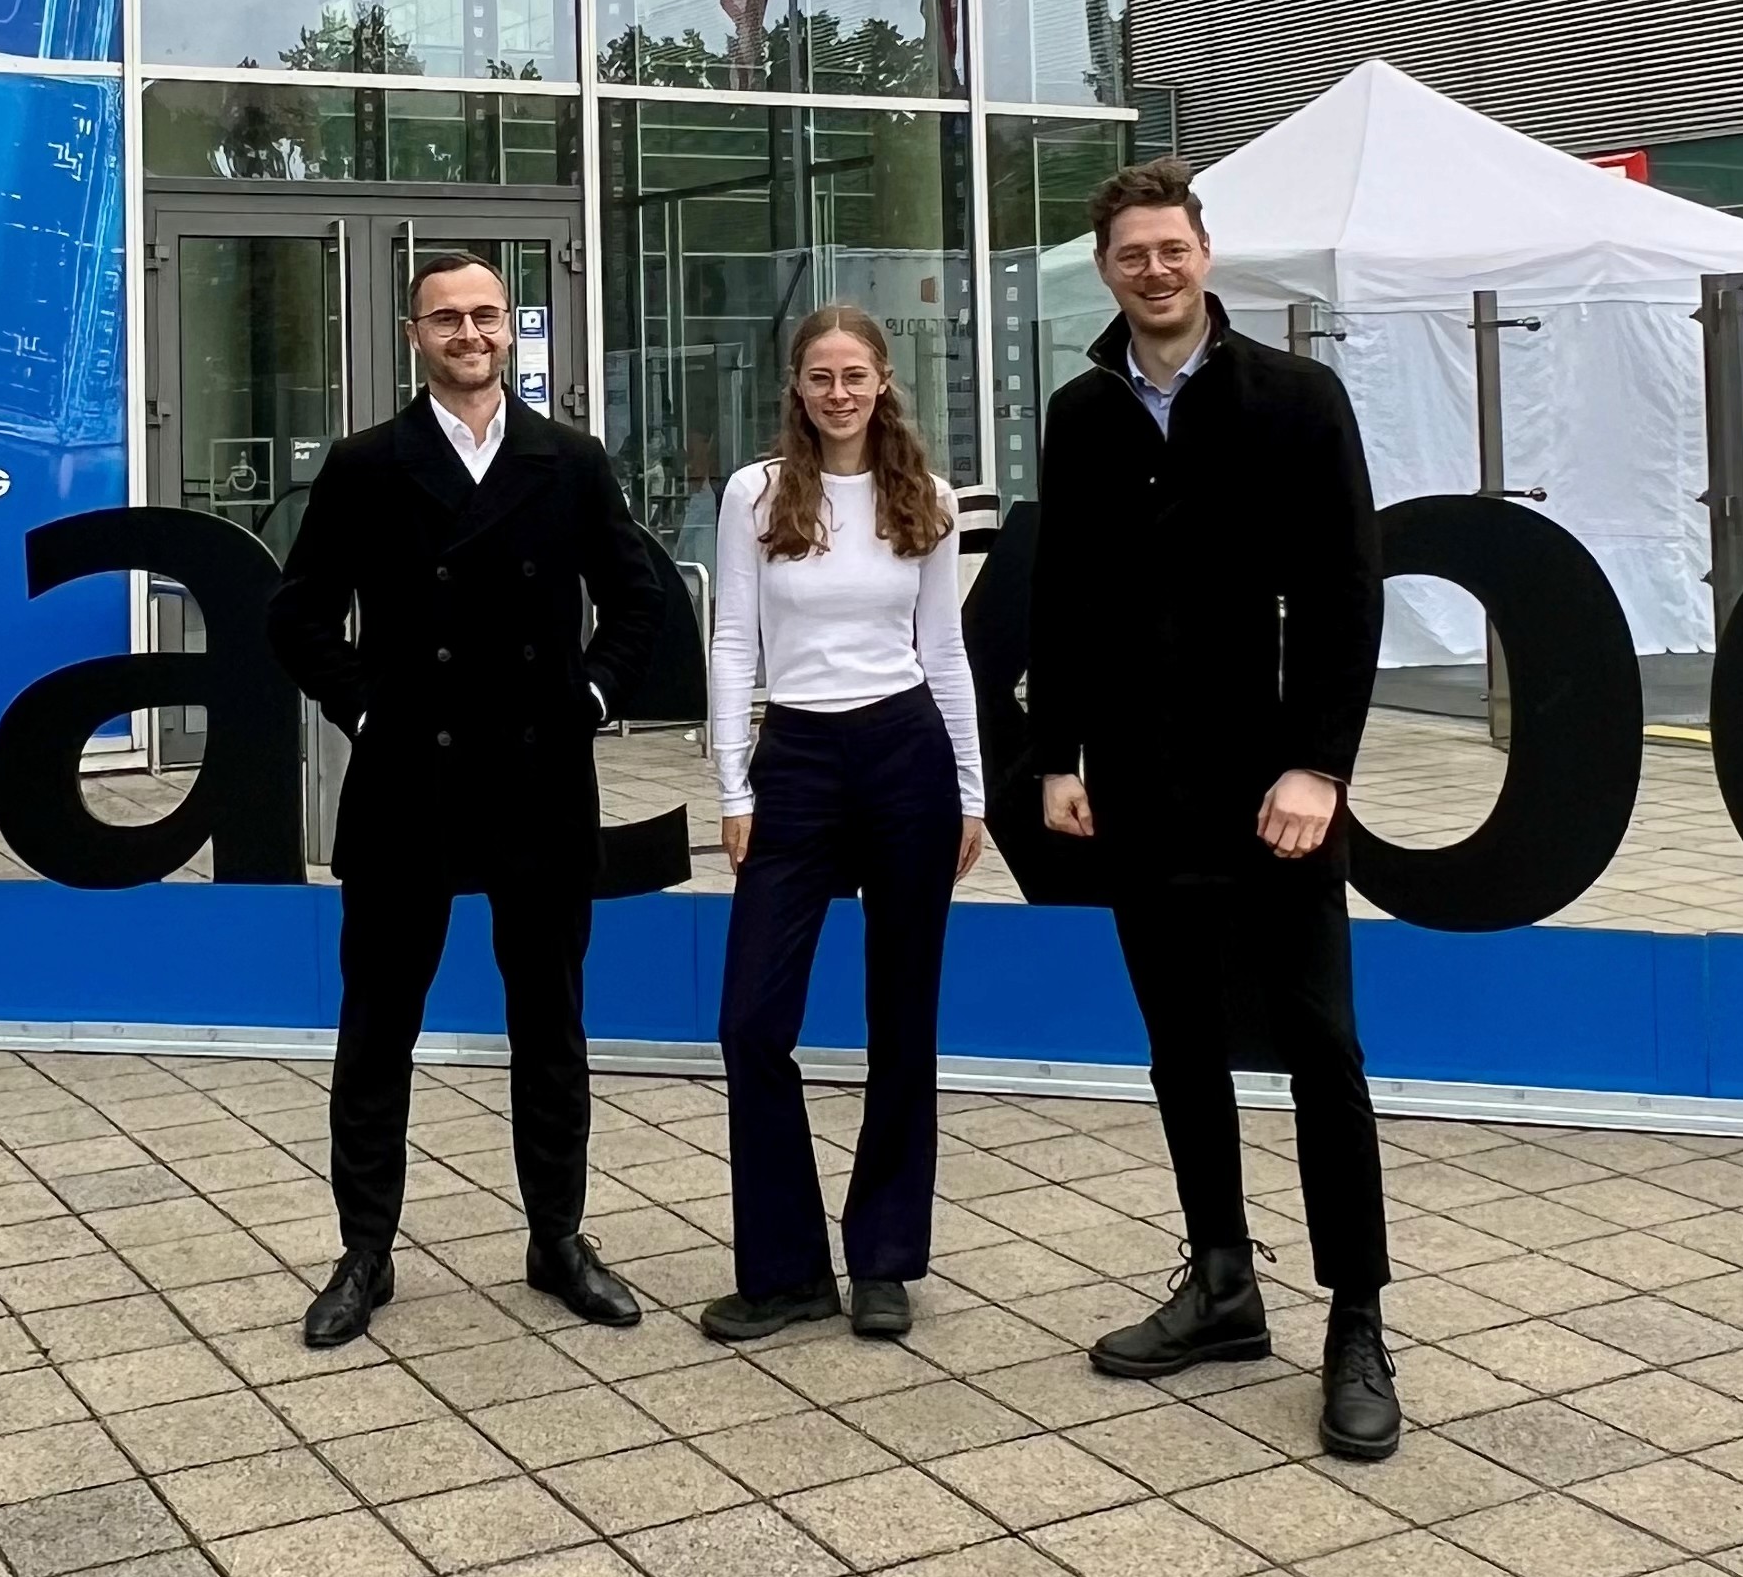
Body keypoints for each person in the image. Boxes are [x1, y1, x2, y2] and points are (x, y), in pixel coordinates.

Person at [1027, 158, 1399, 1461]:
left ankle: (1356, 1317)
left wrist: (1319, 765)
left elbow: (1347, 592)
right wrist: (1058, 753)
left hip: (1273, 788)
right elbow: (1064, 593)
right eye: (1131, 253)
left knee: (1321, 1046)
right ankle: (1223, 1280)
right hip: (1140, 783)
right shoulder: (1082, 413)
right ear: (1106, 269)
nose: (1155, 269)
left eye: (1171, 247)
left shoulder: (1296, 399)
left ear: (1204, 254)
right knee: (1180, 1042)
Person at [268, 251, 662, 1350]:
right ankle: (364, 1251)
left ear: (510, 328)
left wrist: (590, 696)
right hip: (409, 784)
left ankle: (558, 1239)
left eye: (486, 314)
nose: (470, 333)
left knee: (551, 1027)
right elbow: (297, 615)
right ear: (415, 336)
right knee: (375, 1031)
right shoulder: (365, 464)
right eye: (447, 318)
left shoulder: (569, 459)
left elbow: (637, 602)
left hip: (539, 778)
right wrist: (366, 710)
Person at [702, 307, 988, 1345]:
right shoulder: (755, 492)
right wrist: (733, 786)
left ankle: (883, 1260)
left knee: (902, 1018)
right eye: (820, 376)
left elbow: (944, 650)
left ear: (882, 382)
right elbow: (733, 642)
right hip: (797, 761)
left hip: (906, 755)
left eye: (854, 375)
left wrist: (971, 789)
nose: (838, 393)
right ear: (796, 385)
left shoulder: (928, 498)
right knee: (751, 1022)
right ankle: (785, 1272)